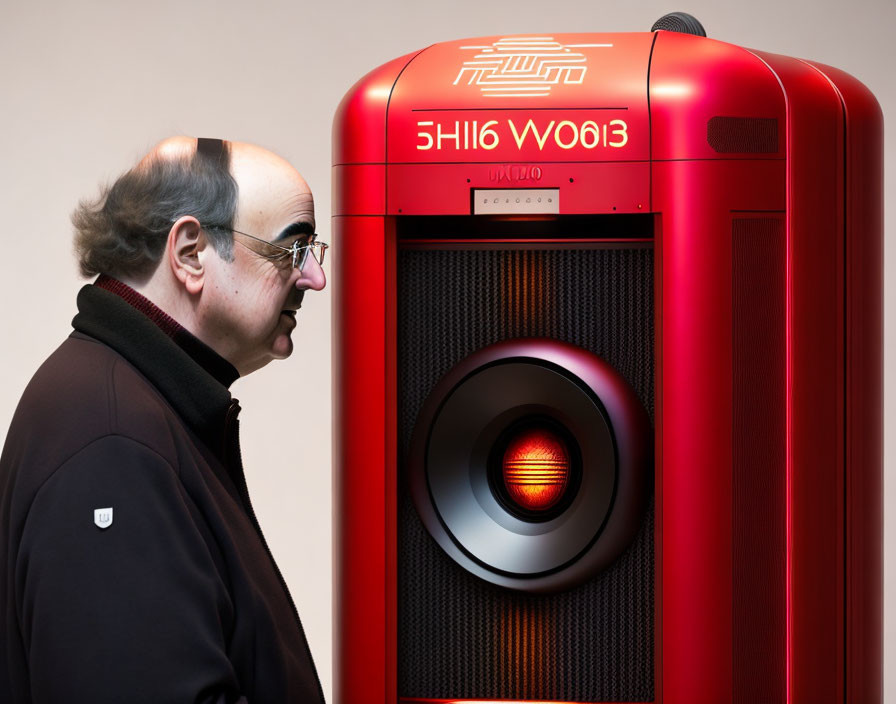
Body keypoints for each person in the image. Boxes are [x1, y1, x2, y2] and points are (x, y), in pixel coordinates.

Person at [0, 136, 327, 703]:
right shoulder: (111, 444)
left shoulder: (132, 402)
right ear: (191, 253)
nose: (315, 278)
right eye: (292, 250)